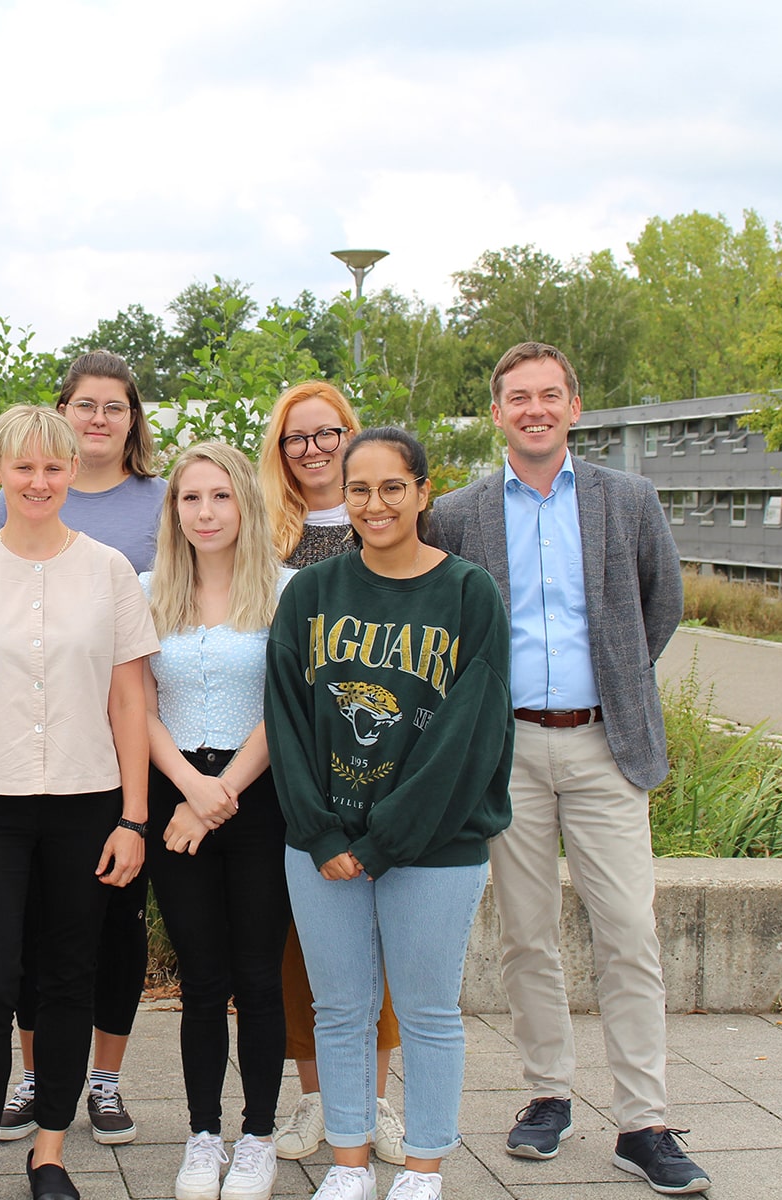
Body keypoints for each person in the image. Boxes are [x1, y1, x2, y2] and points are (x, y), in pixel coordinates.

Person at [425, 342, 707, 1195]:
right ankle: (547, 1094)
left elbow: (661, 603)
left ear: (575, 407)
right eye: (519, 397)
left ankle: (644, 1121)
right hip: (506, 750)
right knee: (526, 934)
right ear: (498, 413)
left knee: (628, 931)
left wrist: (615, 679)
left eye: (550, 395)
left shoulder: (629, 500)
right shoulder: (459, 514)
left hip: (605, 745)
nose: (535, 409)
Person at [265, 426, 514, 1200]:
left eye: (392, 488)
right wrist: (321, 832)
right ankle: (348, 1166)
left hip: (435, 846)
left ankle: (423, 1171)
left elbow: (471, 732)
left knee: (429, 1011)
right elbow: (286, 719)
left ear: (422, 491)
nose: (375, 504)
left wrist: (384, 840)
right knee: (340, 1010)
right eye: (360, 489)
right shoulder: (311, 593)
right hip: (325, 847)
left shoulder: (468, 593)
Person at [0, 404, 159, 1200]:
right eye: (23, 467)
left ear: (72, 473)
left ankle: (49, 1152)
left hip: (87, 804)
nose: (39, 481)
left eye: (53, 467)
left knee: (67, 981)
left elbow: (130, 700)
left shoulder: (110, 572)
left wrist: (133, 818)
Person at [0, 350, 167, 1145]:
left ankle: (104, 1080)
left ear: (132, 419)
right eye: (84, 404)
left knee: (115, 925)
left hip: (133, 739)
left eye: (114, 406)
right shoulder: (17, 497)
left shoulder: (161, 502)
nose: (98, 418)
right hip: (29, 756)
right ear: (62, 414)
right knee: (32, 930)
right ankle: (34, 1076)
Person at [256, 381, 407, 1167]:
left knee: (376, 935)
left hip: (379, 764)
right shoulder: (266, 537)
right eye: (296, 438)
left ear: (352, 435)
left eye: (327, 433)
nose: (313, 449)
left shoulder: (383, 522)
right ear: (280, 452)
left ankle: (373, 1102)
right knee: (301, 941)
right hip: (290, 765)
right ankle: (316, 1098)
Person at [139, 443, 293, 1200]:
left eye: (220, 496)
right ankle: (203, 1136)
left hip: (258, 798)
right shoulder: (146, 593)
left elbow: (286, 706)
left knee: (258, 977)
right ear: (174, 510)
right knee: (200, 980)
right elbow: (135, 706)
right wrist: (189, 791)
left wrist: (219, 793)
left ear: (246, 505)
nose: (205, 512)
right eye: (190, 498)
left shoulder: (287, 593)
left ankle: (258, 1136)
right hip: (175, 797)